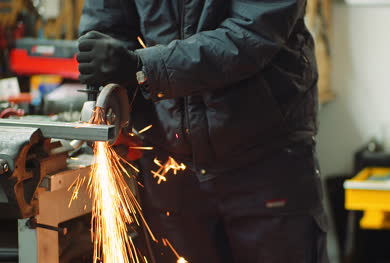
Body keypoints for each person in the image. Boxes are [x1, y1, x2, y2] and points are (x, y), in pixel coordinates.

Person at [77, 0, 329, 262]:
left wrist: (142, 67)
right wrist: (114, 98)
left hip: (264, 164)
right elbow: (107, 25)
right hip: (169, 164)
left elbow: (249, 35)